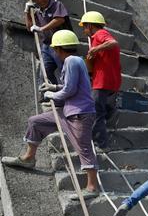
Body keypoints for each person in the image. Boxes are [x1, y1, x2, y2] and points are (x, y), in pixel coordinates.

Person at [1, 30, 100, 199]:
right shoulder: (76, 60)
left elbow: (70, 89)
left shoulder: (70, 61)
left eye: (55, 49)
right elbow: (69, 85)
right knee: (36, 122)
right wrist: (53, 88)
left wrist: (50, 95)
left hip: (80, 113)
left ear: (59, 49)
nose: (54, 52)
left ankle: (92, 187)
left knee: (83, 148)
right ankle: (29, 158)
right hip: (68, 111)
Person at [80, 11, 121, 150]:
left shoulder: (99, 34)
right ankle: (104, 133)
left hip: (102, 82)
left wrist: (95, 48)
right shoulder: (96, 38)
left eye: (84, 27)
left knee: (95, 112)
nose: (84, 31)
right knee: (103, 110)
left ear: (90, 25)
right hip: (112, 81)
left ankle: (101, 144)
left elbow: (113, 42)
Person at [23, 0, 72, 86]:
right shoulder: (37, 11)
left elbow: (60, 19)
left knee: (65, 71)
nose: (40, 0)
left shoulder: (56, 5)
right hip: (47, 45)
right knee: (45, 72)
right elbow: (29, 27)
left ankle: (66, 95)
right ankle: (49, 95)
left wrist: (41, 28)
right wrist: (27, 12)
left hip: (61, 45)